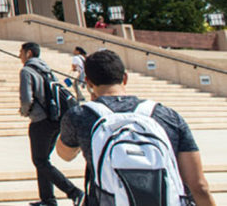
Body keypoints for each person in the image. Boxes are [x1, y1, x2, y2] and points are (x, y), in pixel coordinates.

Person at [56, 50, 215, 206]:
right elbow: (199, 186)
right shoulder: (167, 116)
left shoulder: (80, 115)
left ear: (88, 82)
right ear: (125, 78)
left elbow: (65, 155)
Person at [18, 42, 84, 206]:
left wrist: (25, 111)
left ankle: (74, 192)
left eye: (21, 52)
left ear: (29, 53)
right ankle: (48, 200)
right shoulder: (46, 70)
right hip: (55, 119)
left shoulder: (26, 71)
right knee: (43, 160)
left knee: (40, 161)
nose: (19, 55)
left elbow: (26, 98)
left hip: (40, 121)